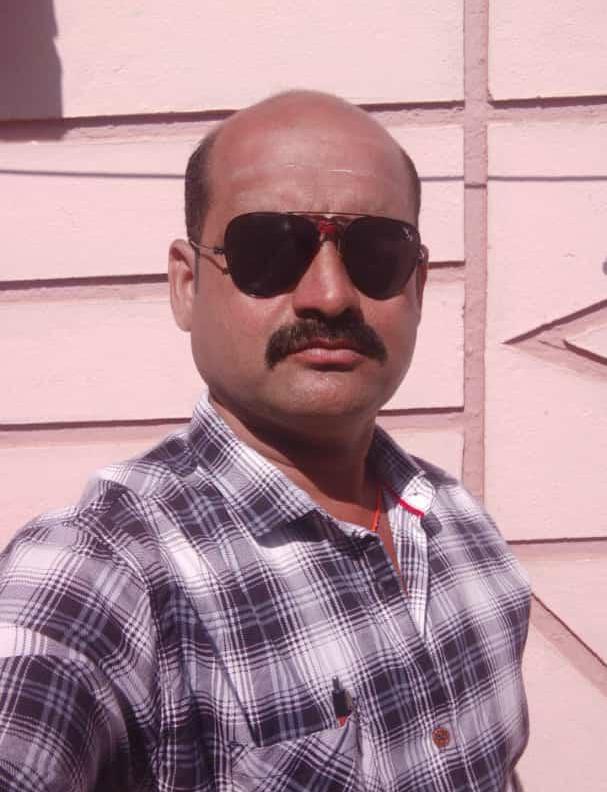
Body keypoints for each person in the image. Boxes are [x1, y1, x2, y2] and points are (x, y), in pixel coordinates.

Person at [0, 90, 530, 791]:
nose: (330, 295)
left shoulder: (461, 526)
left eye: (376, 252)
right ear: (186, 285)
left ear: (418, 286)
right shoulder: (99, 571)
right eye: (270, 249)